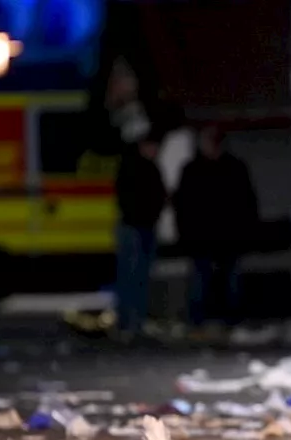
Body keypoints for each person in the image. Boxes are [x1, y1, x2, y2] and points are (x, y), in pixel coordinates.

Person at [93, 58, 181, 341]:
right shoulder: (132, 163)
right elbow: (131, 193)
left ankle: (134, 323)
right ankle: (128, 323)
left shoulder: (146, 164)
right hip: (133, 224)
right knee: (131, 277)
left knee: (139, 278)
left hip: (144, 223)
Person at [174, 125, 258, 334]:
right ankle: (197, 324)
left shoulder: (234, 168)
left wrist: (247, 232)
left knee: (232, 282)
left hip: (229, 237)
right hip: (201, 238)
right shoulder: (192, 170)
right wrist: (185, 234)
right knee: (200, 281)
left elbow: (246, 203)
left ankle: (233, 323)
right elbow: (183, 205)